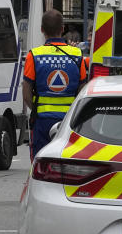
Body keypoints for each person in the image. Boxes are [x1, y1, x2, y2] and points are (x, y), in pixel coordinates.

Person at [21, 9, 87, 160]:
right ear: (62, 29)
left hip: (43, 120)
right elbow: (83, 89)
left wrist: (37, 109)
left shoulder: (35, 55)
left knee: (40, 162)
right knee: (67, 160)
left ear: (42, 30)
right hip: (69, 121)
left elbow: (26, 93)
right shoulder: (76, 55)